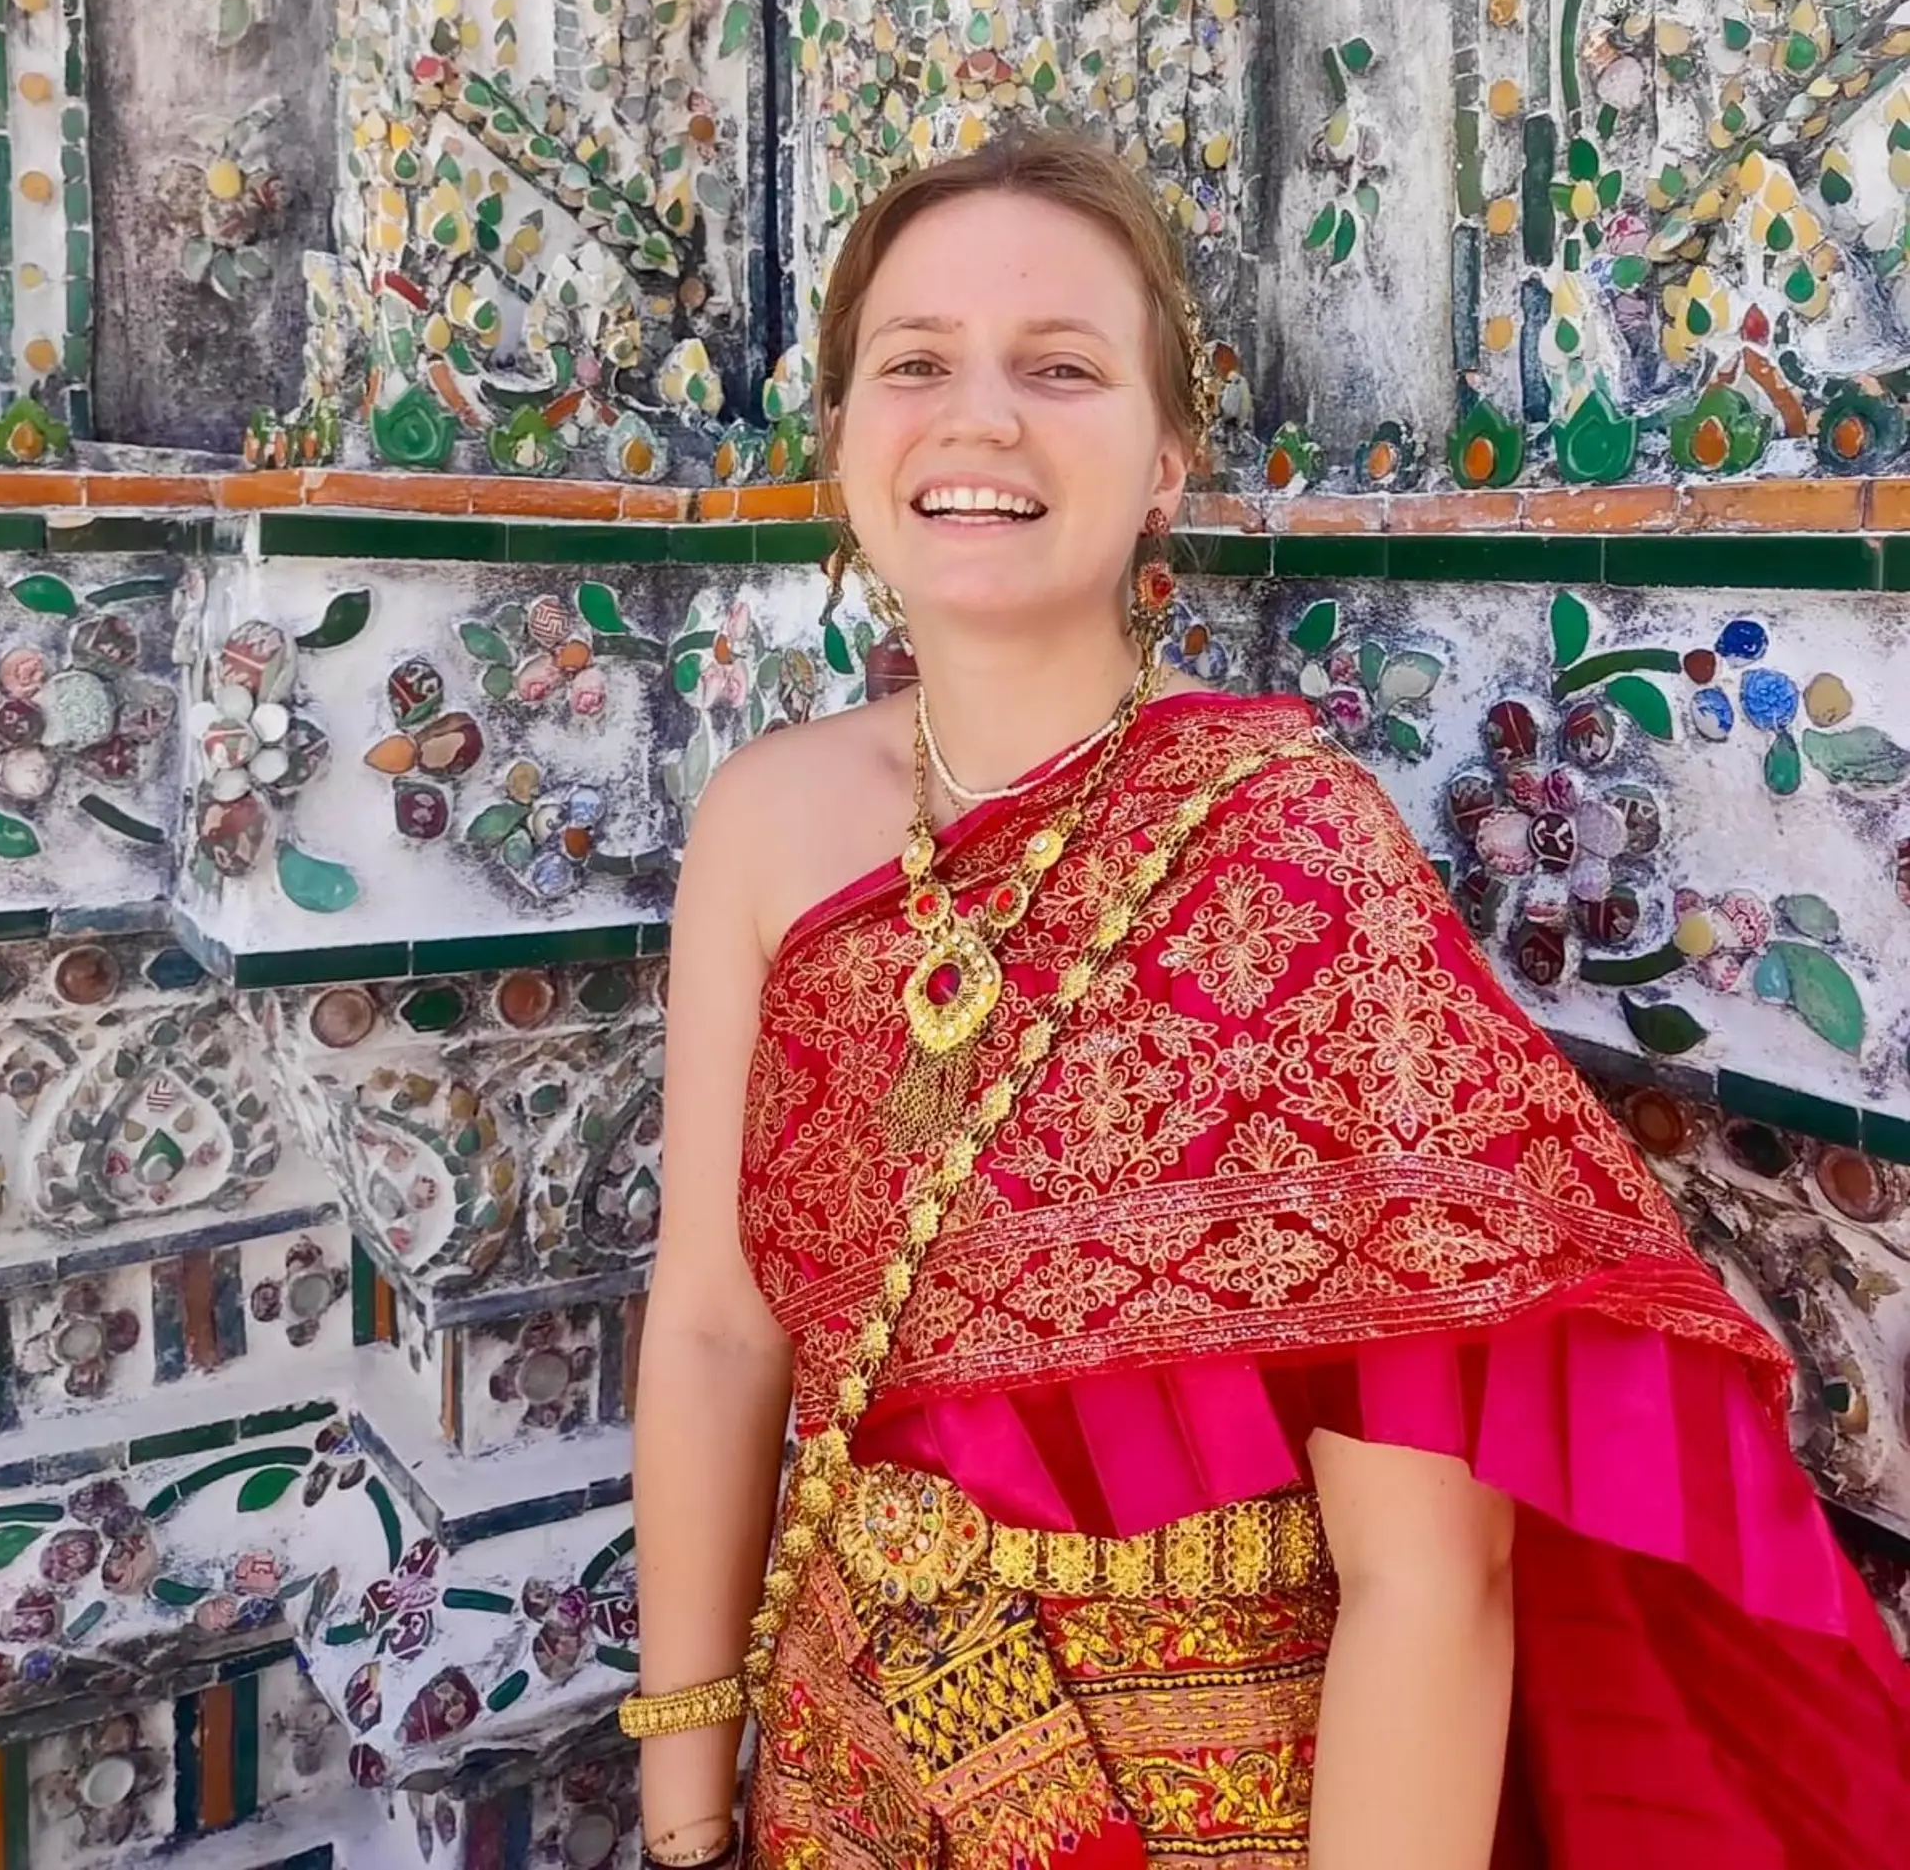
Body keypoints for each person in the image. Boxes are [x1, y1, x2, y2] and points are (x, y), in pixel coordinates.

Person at [622, 128, 1910, 1869]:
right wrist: (686, 1801)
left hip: (1201, 1796)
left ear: (1165, 461)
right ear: (845, 433)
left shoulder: (1284, 850)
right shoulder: (765, 822)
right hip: (851, 1754)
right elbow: (714, 1325)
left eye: (1059, 368)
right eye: (914, 363)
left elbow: (1430, 1574)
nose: (977, 418)